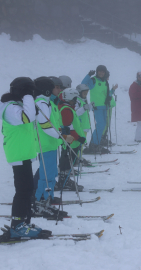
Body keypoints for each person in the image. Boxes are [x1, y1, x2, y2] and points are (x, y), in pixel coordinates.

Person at [0, 77, 50, 239]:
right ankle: (18, 225)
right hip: (18, 154)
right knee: (23, 191)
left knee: (27, 190)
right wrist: (28, 97)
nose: (33, 94)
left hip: (24, 154)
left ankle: (24, 223)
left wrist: (30, 101)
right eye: (30, 91)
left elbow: (33, 117)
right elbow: (26, 118)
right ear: (24, 91)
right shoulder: (10, 108)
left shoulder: (16, 105)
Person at [55, 88, 86, 192]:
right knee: (67, 160)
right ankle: (64, 181)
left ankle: (65, 179)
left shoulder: (68, 108)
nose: (76, 100)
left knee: (69, 160)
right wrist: (79, 138)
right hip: (71, 141)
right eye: (74, 98)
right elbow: (69, 128)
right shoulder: (66, 110)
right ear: (69, 98)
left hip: (73, 140)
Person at [81, 65, 109, 154]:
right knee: (100, 125)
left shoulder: (105, 81)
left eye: (103, 72)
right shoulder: (93, 80)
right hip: (97, 107)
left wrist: (108, 99)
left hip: (104, 107)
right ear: (97, 72)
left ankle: (97, 143)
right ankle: (94, 145)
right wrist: (88, 75)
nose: (101, 73)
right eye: (99, 71)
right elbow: (83, 85)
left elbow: (106, 93)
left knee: (103, 125)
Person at [75, 84, 94, 165]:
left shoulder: (82, 100)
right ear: (79, 93)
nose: (86, 95)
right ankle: (77, 159)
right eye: (84, 93)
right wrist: (84, 107)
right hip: (80, 127)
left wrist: (90, 106)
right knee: (79, 144)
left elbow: (85, 111)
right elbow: (76, 112)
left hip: (85, 126)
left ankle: (79, 158)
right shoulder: (77, 101)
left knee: (82, 145)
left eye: (87, 93)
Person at [100, 70, 117, 147]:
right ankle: (101, 138)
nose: (108, 79)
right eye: (107, 77)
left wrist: (113, 89)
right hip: (106, 106)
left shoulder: (105, 84)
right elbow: (104, 95)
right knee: (105, 122)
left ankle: (104, 137)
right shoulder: (102, 84)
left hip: (109, 106)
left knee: (107, 122)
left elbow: (108, 94)